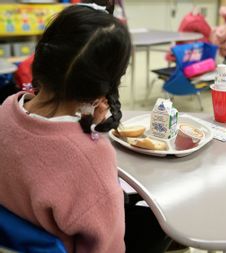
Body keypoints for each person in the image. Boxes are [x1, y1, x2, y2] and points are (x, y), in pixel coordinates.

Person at [0, 3, 171, 253]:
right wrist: (91, 138)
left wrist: (85, 127)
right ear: (105, 86)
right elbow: (108, 246)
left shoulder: (6, 109)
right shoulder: (92, 158)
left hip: (18, 235)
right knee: (158, 221)